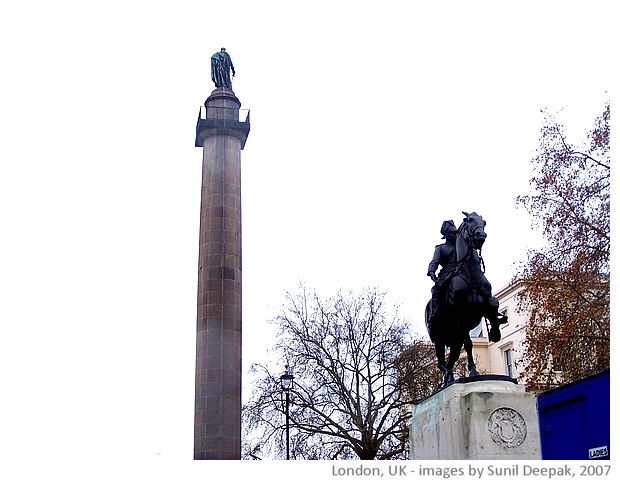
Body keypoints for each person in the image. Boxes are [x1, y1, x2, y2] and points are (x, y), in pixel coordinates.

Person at [427, 220, 459, 326]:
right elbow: (434, 261)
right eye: (451, 233)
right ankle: (435, 313)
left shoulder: (461, 246)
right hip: (446, 273)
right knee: (436, 290)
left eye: (455, 232)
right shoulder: (440, 248)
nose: (454, 235)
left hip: (461, 271)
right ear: (446, 235)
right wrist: (431, 271)